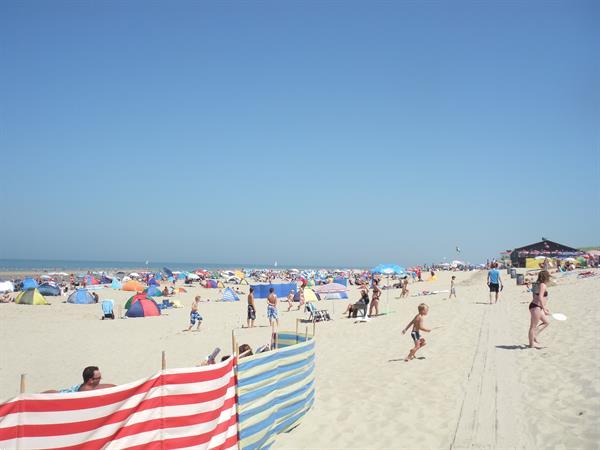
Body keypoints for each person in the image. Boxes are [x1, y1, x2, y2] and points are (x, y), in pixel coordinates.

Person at [528, 270, 551, 348]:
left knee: (546, 322)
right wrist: (544, 308)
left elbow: (536, 296)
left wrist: (544, 307)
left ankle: (534, 335)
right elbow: (540, 296)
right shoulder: (542, 285)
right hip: (536, 307)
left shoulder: (538, 284)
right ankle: (531, 344)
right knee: (533, 326)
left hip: (537, 306)